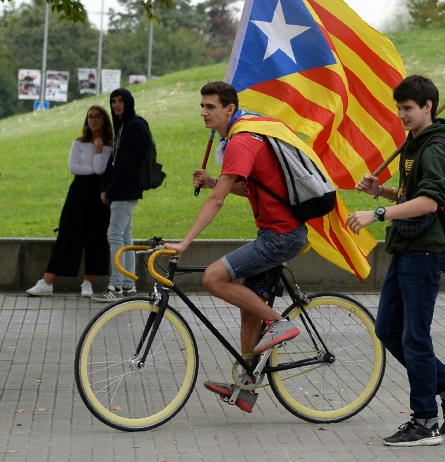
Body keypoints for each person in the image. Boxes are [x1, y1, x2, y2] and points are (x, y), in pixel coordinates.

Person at [346, 75, 445, 447]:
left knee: (415, 337)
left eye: (407, 108)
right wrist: (382, 191)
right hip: (406, 249)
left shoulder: (434, 147)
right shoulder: (414, 143)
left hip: (425, 251)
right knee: (388, 329)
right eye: (399, 108)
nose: (401, 115)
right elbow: (412, 192)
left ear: (427, 107)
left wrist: (379, 212)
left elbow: (430, 202)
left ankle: (425, 421)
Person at [163, 81, 307, 413]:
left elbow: (216, 202)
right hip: (274, 232)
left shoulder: (242, 140)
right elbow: (248, 189)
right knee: (249, 309)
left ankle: (280, 323)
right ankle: (247, 386)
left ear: (229, 109)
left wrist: (185, 242)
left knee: (213, 278)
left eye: (210, 107)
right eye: (201, 106)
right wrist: (217, 181)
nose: (203, 112)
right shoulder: (244, 135)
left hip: (281, 236)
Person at [27, 106, 114, 297]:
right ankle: (47, 282)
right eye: (90, 116)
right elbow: (73, 168)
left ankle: (88, 282)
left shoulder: (109, 144)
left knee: (96, 236)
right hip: (78, 192)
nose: (93, 120)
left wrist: (98, 149)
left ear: (104, 120)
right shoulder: (79, 141)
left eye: (97, 117)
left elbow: (100, 170)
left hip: (99, 195)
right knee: (67, 234)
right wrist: (93, 164)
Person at [92, 88, 152, 302]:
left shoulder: (135, 126)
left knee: (115, 236)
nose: (116, 104)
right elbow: (115, 161)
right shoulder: (123, 126)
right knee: (125, 236)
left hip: (125, 190)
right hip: (123, 189)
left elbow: (128, 163)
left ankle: (116, 286)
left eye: (120, 101)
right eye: (113, 101)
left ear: (129, 102)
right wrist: (105, 187)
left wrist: (111, 190)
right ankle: (128, 286)